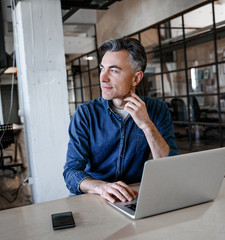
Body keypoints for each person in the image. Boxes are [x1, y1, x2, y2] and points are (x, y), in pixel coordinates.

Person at [63, 37, 178, 203]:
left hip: (133, 197)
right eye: (102, 68)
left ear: (136, 78)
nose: (103, 78)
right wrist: (100, 187)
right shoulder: (86, 114)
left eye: (114, 70)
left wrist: (146, 125)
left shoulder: (157, 109)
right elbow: (71, 173)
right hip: (94, 197)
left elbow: (169, 167)